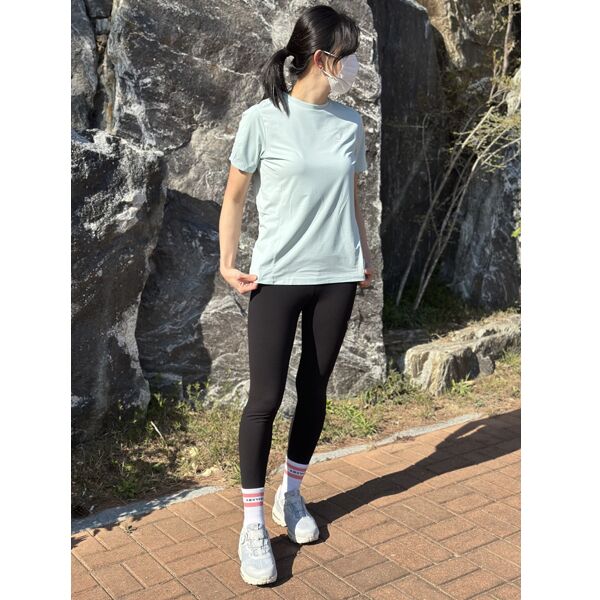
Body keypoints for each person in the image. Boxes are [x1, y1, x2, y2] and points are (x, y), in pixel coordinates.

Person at [218, 4, 373, 586]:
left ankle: (292, 494)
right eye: (349, 57)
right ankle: (252, 524)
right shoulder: (263, 118)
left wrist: (363, 256)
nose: (355, 67)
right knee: (264, 397)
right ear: (323, 59)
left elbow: (351, 199)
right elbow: (234, 197)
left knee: (315, 388)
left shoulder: (350, 123)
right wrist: (227, 263)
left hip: (337, 276)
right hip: (278, 277)